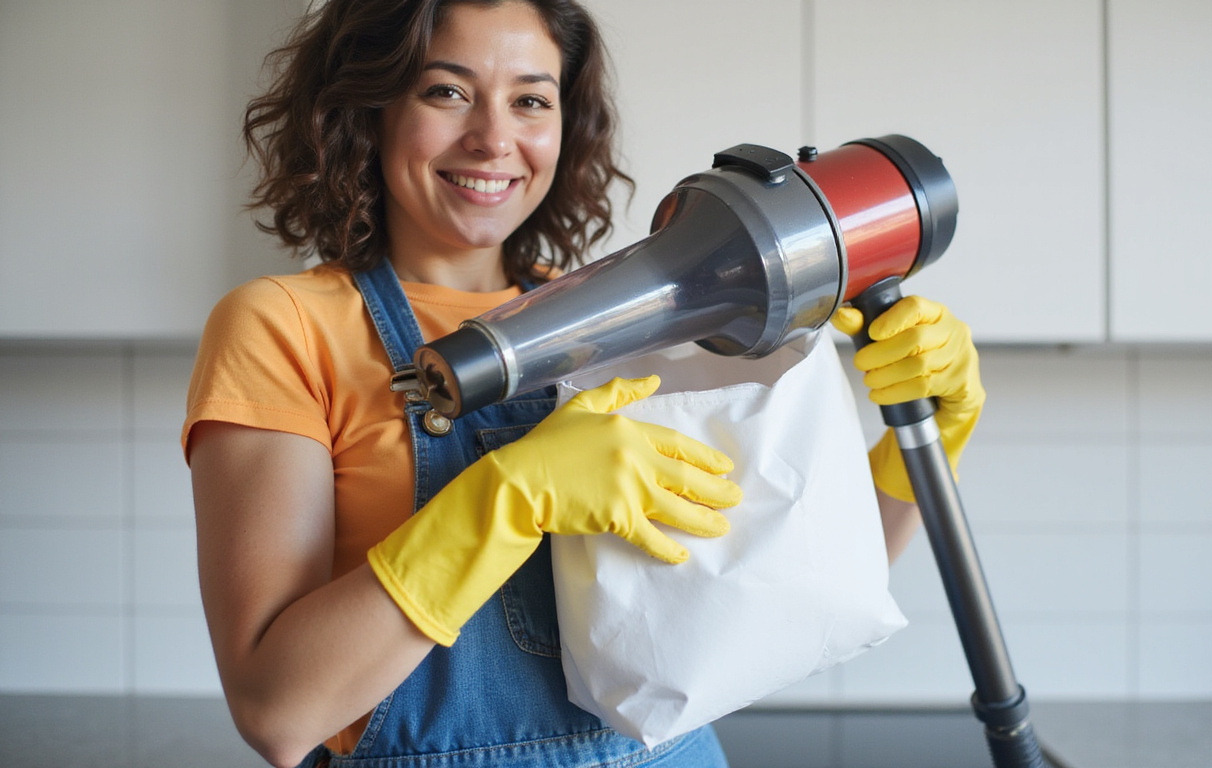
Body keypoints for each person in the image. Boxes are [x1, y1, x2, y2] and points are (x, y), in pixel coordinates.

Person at [183, 1, 983, 766]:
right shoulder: (283, 327)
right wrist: (507, 496)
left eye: (531, 100)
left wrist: (917, 450)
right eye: (448, 91)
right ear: (370, 108)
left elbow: (773, 596)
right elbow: (279, 713)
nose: (494, 138)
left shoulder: (641, 314)